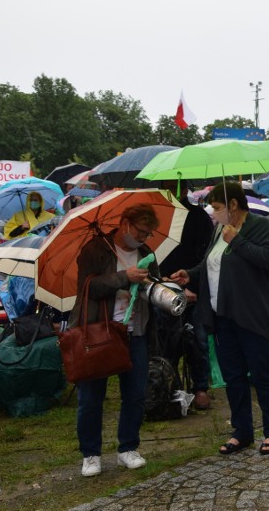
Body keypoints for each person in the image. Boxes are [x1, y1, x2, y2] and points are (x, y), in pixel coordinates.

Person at [169, 182, 269, 456]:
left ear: (233, 205)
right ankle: (242, 431)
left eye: (218, 208)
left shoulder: (259, 226)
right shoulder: (219, 230)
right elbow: (212, 262)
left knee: (263, 374)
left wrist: (238, 241)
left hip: (252, 315)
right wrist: (191, 273)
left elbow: (268, 259)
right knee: (233, 377)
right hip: (222, 316)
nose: (214, 213)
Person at [71, 204, 160, 477]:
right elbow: (88, 287)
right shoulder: (95, 249)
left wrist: (161, 285)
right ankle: (91, 454)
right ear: (125, 223)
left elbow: (152, 285)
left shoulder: (146, 254)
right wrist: (124, 277)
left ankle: (128, 447)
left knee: (135, 394)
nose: (143, 238)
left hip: (136, 332)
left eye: (147, 233)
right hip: (101, 331)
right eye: (140, 231)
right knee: (91, 397)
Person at [157, 181, 214, 410]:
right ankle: (168, 384)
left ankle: (200, 387)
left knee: (197, 339)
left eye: (176, 185)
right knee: (164, 340)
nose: (173, 190)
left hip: (193, 288)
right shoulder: (158, 215)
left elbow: (207, 255)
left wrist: (194, 283)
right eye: (168, 186)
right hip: (163, 287)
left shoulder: (198, 216)